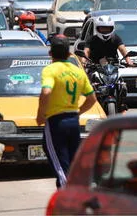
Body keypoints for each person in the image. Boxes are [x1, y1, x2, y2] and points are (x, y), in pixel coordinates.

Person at [36, 37, 97, 188]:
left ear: (50, 53)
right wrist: (78, 112)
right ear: (69, 54)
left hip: (56, 122)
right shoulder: (78, 72)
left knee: (59, 165)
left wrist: (40, 115)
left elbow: (46, 91)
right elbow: (92, 99)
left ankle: (69, 198)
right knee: (70, 162)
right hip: (73, 121)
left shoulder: (50, 70)